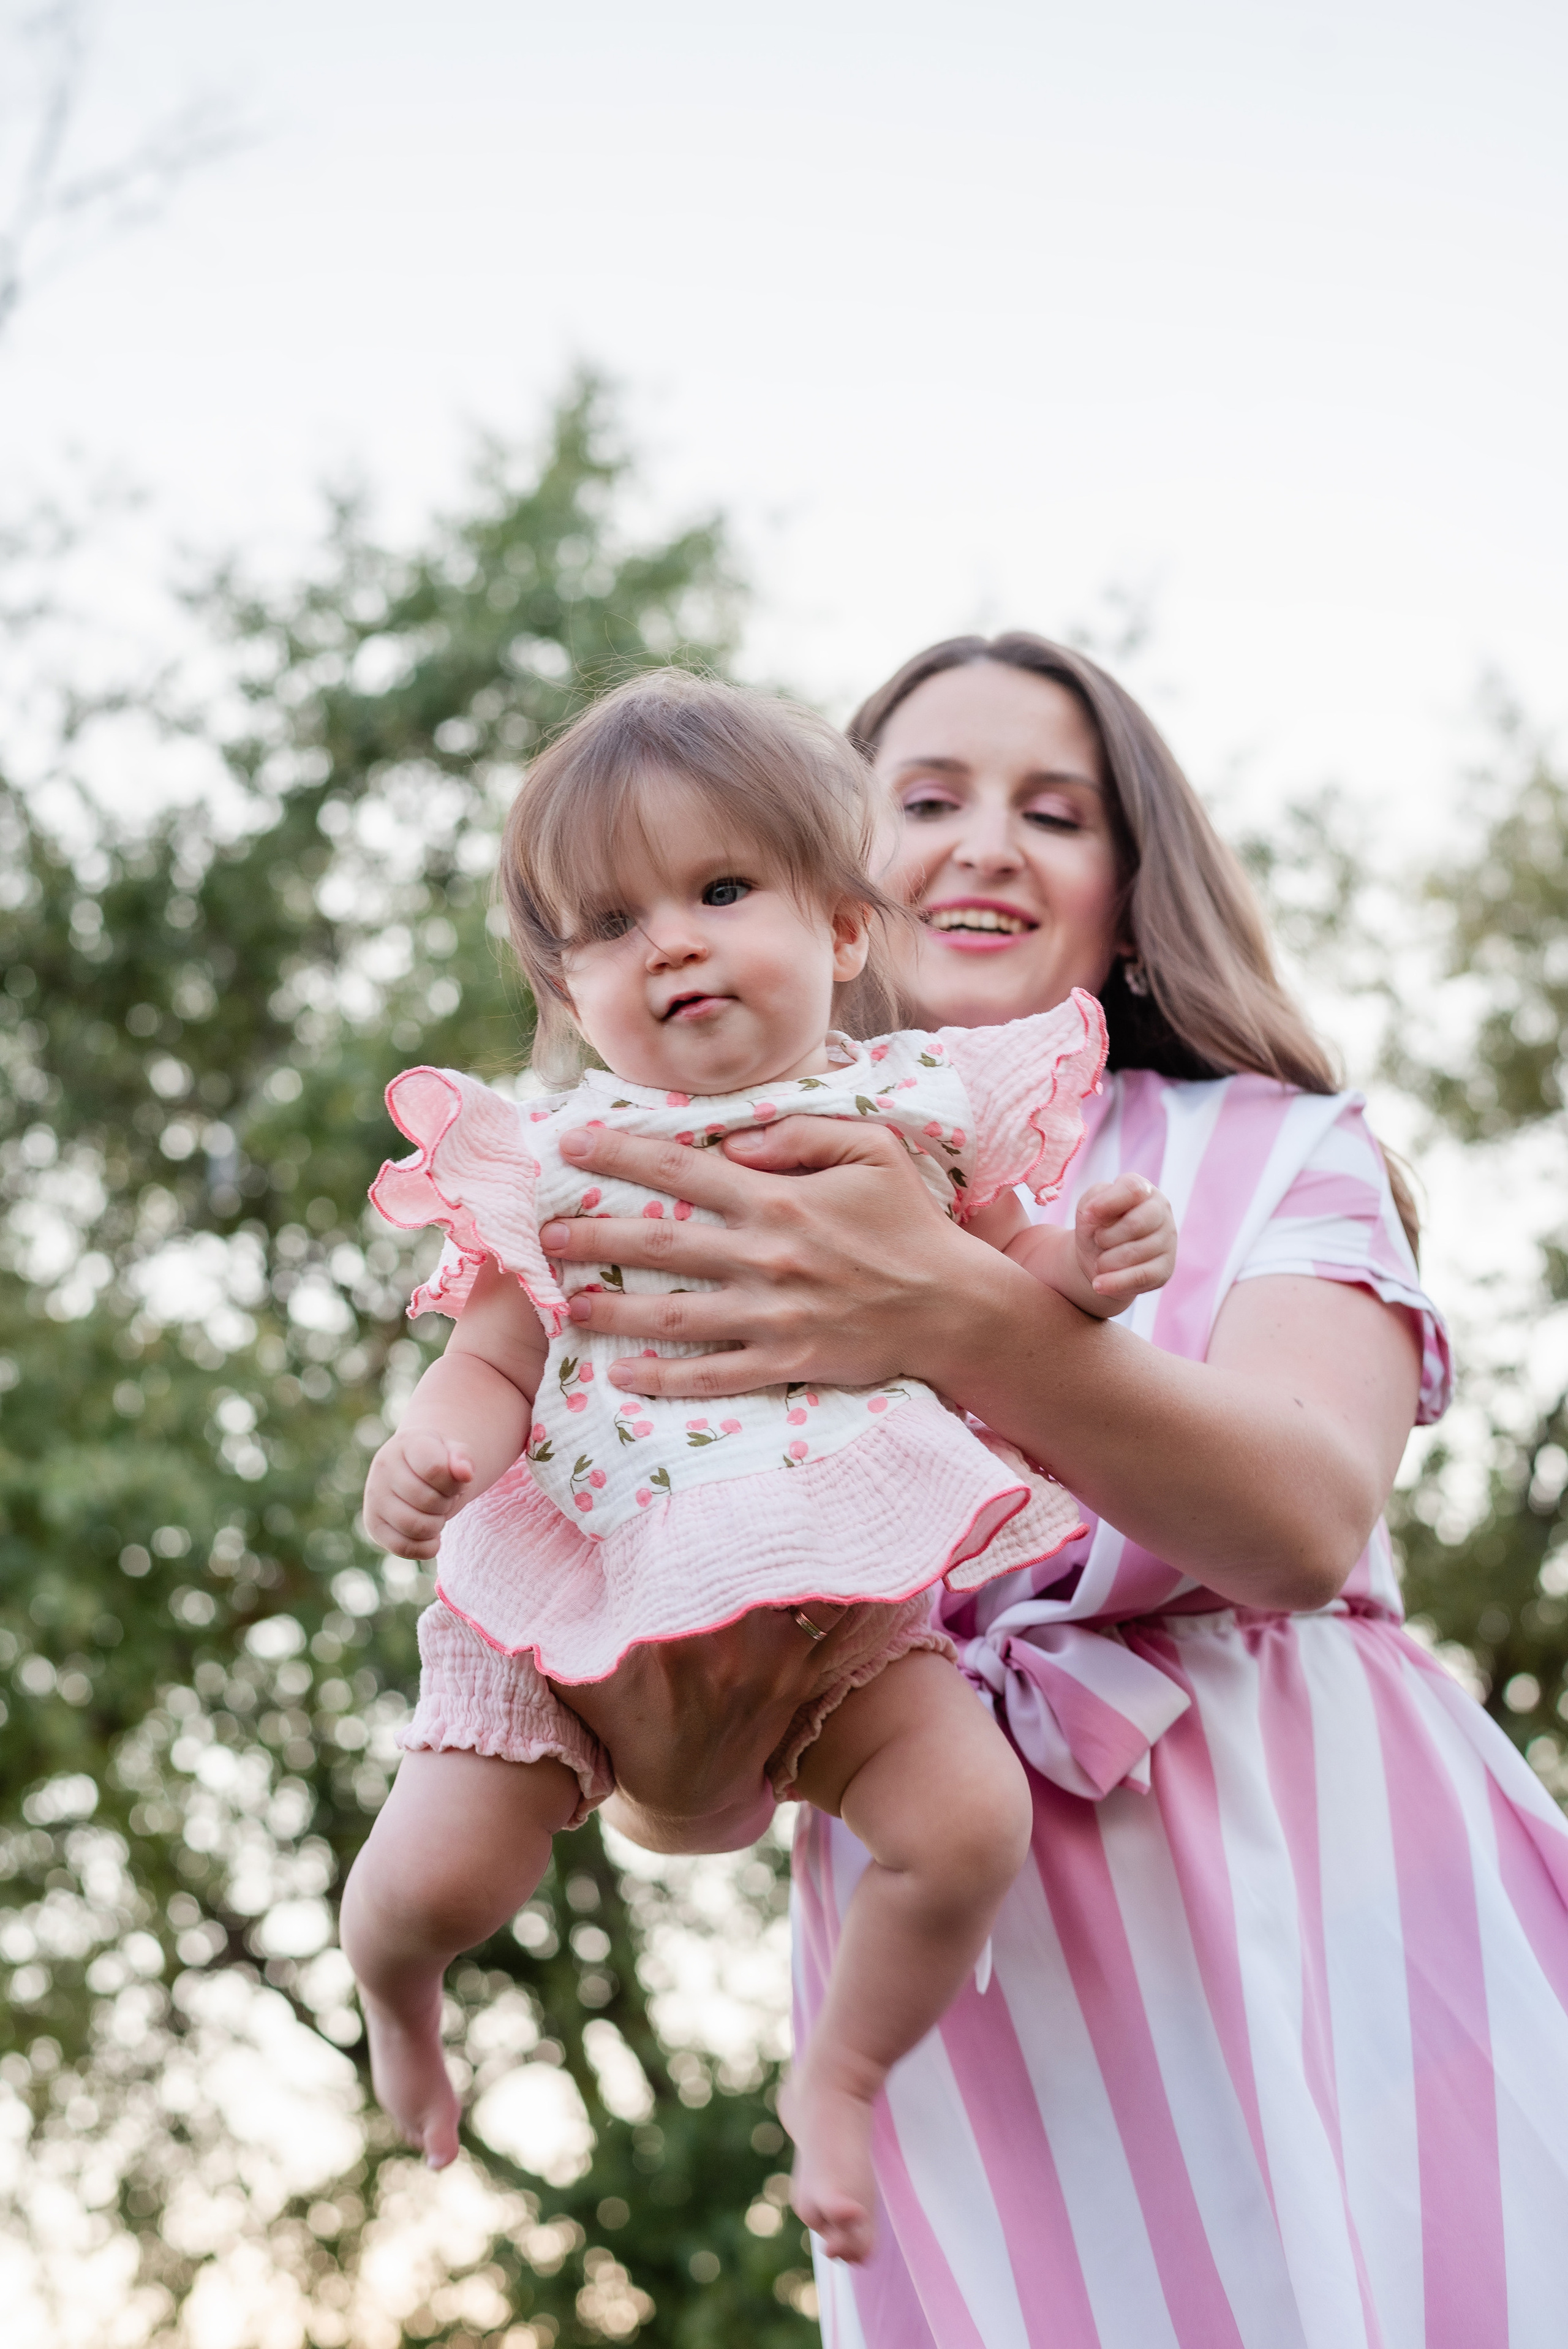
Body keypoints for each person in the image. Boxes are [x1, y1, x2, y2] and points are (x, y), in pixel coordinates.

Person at [527, 635, 1568, 2346]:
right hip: (961, 1964)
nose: (984, 841)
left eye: (1055, 809)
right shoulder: (696, 1184)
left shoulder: (1268, 1143)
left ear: (1133, 886)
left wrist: (946, 1307)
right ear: (825, 885)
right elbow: (681, 1760)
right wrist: (667, 1750)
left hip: (1322, 1884)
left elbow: (1301, 1522)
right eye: (922, 799)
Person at [339, 671, 1177, 2263]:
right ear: (566, 983)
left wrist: (1097, 1253)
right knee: (428, 1884)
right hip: (576, 1586)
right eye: (608, 921)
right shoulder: (561, 1156)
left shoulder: (909, 1111)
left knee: (965, 1820)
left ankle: (844, 2072)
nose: (670, 941)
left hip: (836, 1610)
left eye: (722, 890)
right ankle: (396, 1998)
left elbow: (1010, 1271)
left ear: (845, 928)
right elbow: (494, 1356)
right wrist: (435, 1449)